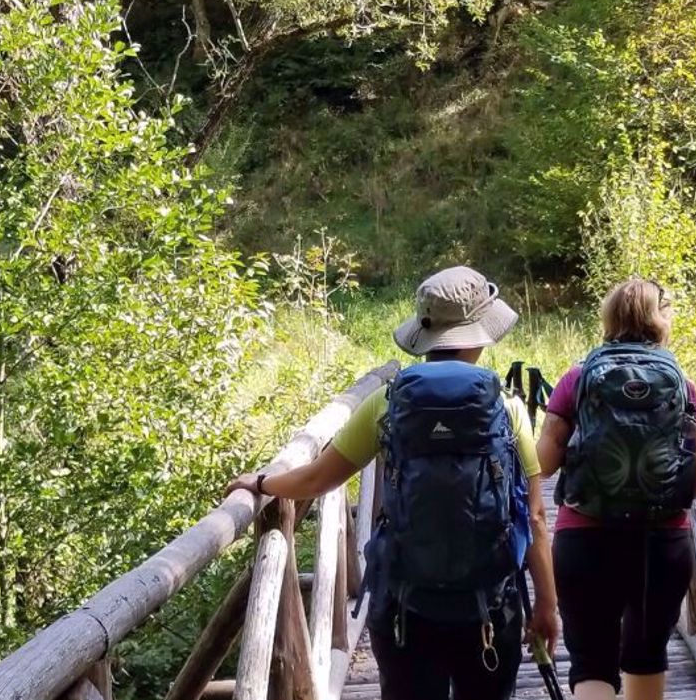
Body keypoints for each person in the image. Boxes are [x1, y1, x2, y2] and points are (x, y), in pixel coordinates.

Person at [227, 266, 560, 700]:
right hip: (489, 607)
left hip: (405, 606)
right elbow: (534, 516)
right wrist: (548, 606)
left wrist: (262, 482)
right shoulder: (507, 407)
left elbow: (315, 480)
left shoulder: (387, 402)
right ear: (480, 333)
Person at [536, 278, 696, 700]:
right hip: (660, 542)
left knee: (591, 663)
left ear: (609, 317)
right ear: (661, 318)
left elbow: (542, 465)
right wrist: (661, 498)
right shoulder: (681, 384)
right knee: (646, 655)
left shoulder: (577, 378)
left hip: (584, 536)